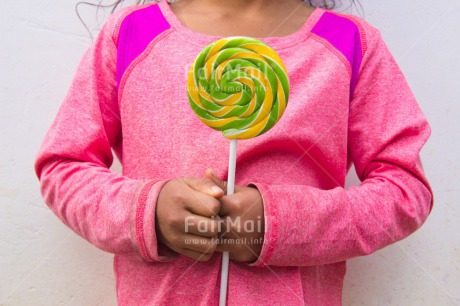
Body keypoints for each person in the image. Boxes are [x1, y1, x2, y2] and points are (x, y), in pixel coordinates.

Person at [34, 0, 433, 304]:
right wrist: (148, 212)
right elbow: (64, 166)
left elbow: (405, 189)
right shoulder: (132, 34)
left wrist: (283, 223)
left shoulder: (348, 44)